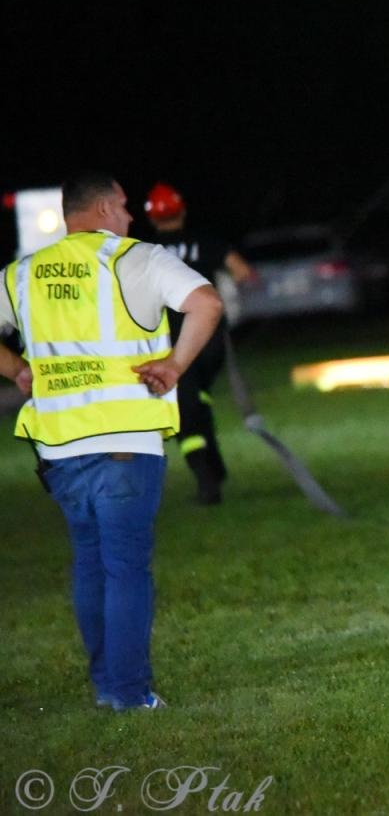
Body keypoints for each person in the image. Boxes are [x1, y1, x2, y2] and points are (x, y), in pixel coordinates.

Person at [0, 172, 223, 711]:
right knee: (125, 568)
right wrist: (174, 365)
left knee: (90, 561)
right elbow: (207, 303)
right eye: (123, 207)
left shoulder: (22, 273)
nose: (130, 217)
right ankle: (128, 692)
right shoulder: (137, 259)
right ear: (102, 208)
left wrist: (17, 370)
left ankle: (107, 684)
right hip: (126, 441)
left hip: (59, 447)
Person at [143, 181, 256, 504]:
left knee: (183, 411)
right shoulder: (205, 242)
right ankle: (214, 470)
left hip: (172, 344)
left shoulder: (147, 253)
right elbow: (243, 272)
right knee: (197, 402)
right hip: (211, 342)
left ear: (152, 218)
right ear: (182, 209)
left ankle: (208, 481)